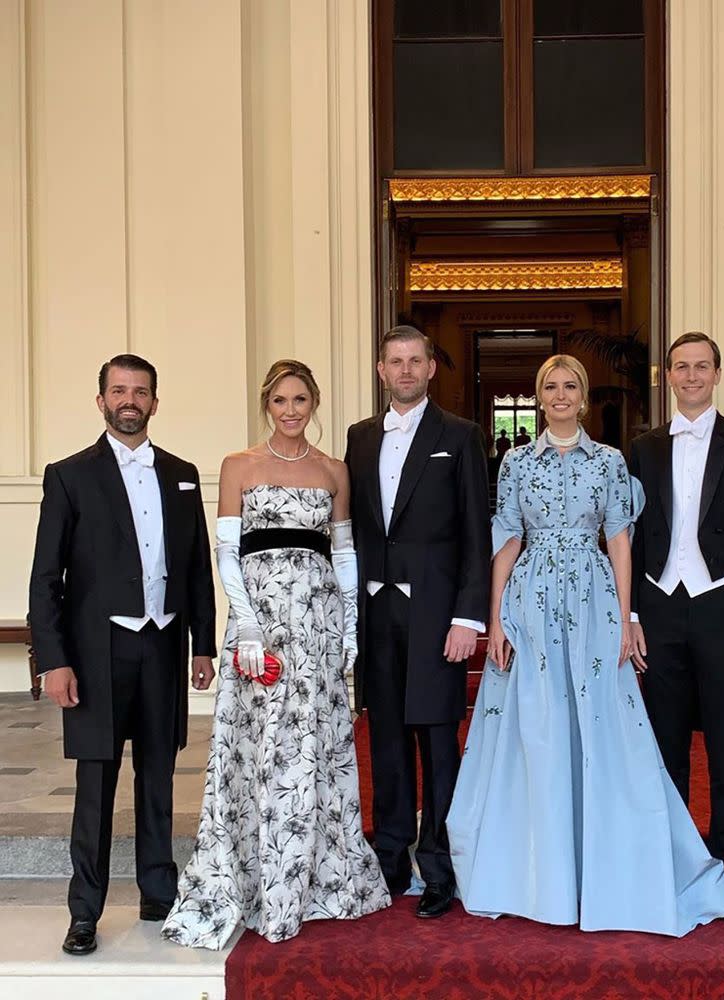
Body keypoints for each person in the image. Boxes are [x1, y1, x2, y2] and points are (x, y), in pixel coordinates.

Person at [446, 354, 724, 933]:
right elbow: (506, 540)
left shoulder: (609, 461)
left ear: (582, 397)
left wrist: (627, 616)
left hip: (594, 599)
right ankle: (537, 873)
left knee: (603, 724)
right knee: (536, 727)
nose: (559, 394)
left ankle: (607, 869)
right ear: (538, 395)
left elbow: (621, 540)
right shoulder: (515, 464)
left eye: (569, 386)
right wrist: (496, 620)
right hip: (529, 601)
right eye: (548, 385)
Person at [162, 360, 389, 949]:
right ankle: (258, 878)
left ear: (315, 403)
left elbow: (343, 555)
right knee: (259, 749)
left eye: (301, 400)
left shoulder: (334, 470)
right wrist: (246, 629)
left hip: (318, 625)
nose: (291, 410)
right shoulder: (239, 465)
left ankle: (316, 877)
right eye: (281, 401)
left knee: (316, 746)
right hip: (260, 626)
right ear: (267, 404)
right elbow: (227, 555)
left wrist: (351, 630)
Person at [28, 354, 217, 957]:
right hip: (95, 652)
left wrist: (203, 645)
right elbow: (44, 577)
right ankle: (84, 910)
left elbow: (195, 569)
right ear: (102, 400)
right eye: (119, 391)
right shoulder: (69, 475)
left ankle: (160, 894)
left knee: (159, 775)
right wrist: (53, 659)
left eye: (140, 391)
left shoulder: (183, 473)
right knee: (96, 784)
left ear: (155, 402)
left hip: (163, 643)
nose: (129, 400)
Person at [629, 332, 724, 928]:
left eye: (702, 366)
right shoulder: (641, 448)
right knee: (662, 749)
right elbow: (630, 535)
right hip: (659, 608)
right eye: (681, 367)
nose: (691, 376)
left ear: (717, 373)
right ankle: (668, 867)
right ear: (667, 376)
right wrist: (633, 615)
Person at [345, 325, 490, 919]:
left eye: (415, 361)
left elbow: (477, 533)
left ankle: (440, 867)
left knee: (437, 742)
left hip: (436, 613)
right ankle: (389, 858)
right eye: (395, 361)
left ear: (431, 369)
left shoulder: (460, 436)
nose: (405, 371)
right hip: (375, 610)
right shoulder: (357, 438)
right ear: (381, 370)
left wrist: (468, 617)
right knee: (384, 740)